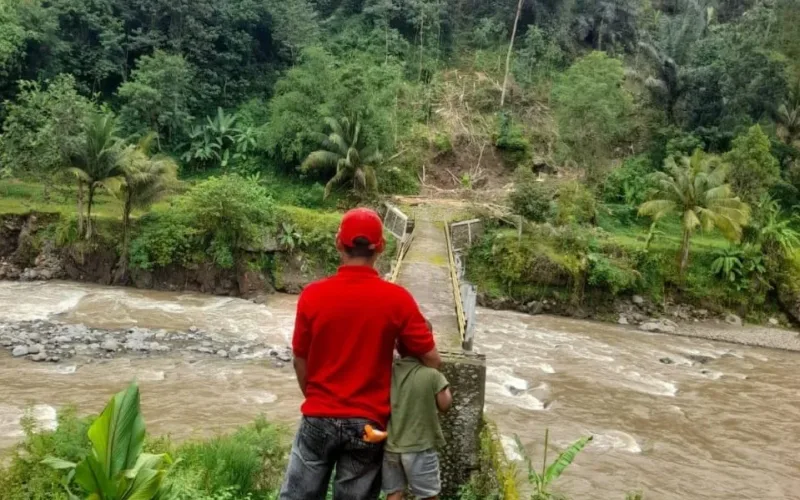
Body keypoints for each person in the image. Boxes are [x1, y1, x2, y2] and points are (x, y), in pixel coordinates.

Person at [280, 207, 442, 500]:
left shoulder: (312, 296)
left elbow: (299, 359)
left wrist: (314, 396)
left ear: (338, 244)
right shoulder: (397, 300)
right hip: (368, 423)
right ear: (380, 248)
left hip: (318, 414)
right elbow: (432, 359)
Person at [382, 336, 453, 500]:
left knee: (394, 493)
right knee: (428, 495)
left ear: (398, 347)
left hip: (391, 447)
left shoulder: (389, 371)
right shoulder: (432, 375)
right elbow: (445, 405)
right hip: (419, 447)